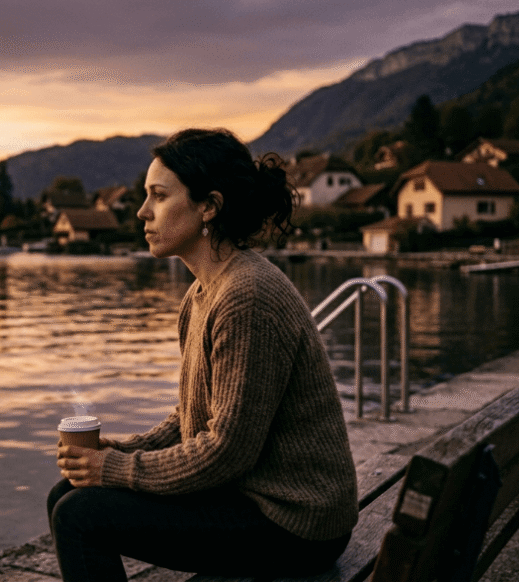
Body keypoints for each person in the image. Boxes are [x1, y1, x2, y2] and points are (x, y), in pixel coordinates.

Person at [47, 128, 358, 581]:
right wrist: (121, 449)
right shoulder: (202, 293)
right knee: (65, 495)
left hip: (296, 524)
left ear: (208, 206)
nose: (142, 212)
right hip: (256, 501)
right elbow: (190, 417)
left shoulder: (247, 296)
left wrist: (116, 469)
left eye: (159, 196)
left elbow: (226, 452)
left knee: (79, 515)